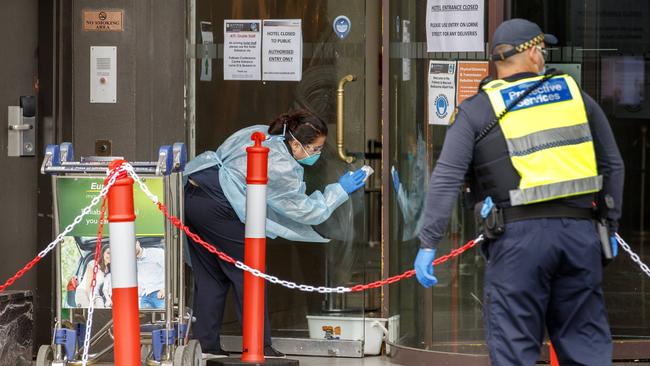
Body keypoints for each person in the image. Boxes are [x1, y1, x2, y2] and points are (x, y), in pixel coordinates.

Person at [415, 19, 624, 365]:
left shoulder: (477, 110)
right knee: (585, 345)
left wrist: (428, 243)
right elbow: (613, 165)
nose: (544, 56)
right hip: (580, 237)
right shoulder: (574, 96)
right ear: (530, 52)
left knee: (514, 347)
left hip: (517, 241)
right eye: (542, 49)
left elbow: (447, 177)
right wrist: (610, 225)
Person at [183, 108, 367, 359]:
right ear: (295, 143)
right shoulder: (280, 164)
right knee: (249, 273)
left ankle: (206, 346)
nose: (317, 154)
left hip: (194, 193)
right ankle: (258, 346)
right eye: (314, 149)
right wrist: (339, 191)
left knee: (211, 275)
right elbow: (307, 211)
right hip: (219, 206)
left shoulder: (262, 132)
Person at [135, 238, 166, 309]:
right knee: (145, 319)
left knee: (163, 318)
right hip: (145, 295)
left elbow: (171, 270)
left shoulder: (156, 253)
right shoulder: (131, 260)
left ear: (137, 243)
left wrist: (165, 289)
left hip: (160, 294)